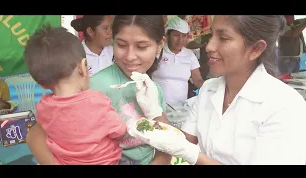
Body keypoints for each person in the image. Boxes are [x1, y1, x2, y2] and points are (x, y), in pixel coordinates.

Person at [129, 15, 306, 165]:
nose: (209, 47)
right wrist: (154, 111)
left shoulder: (284, 106)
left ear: (256, 49)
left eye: (223, 38)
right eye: (212, 35)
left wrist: (193, 155)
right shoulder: (209, 89)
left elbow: (185, 148)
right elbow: (182, 140)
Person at [26, 15, 172, 165]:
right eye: (121, 45)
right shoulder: (91, 88)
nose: (130, 56)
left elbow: (166, 141)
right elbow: (35, 136)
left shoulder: (154, 89)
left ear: (160, 44)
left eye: (141, 47)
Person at [24, 24, 127, 165]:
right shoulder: (97, 101)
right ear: (83, 67)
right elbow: (120, 131)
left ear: (41, 84)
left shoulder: (43, 108)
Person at [152, 17, 204, 106]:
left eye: (184, 36)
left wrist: (213, 87)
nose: (180, 40)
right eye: (176, 35)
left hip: (179, 110)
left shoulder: (190, 55)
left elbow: (198, 80)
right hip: (157, 107)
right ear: (168, 35)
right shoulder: (157, 51)